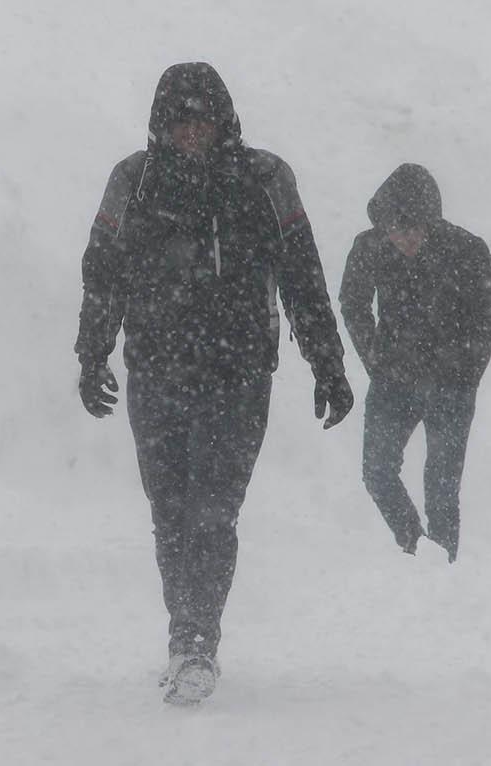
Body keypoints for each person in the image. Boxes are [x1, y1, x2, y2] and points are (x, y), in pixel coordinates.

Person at [74, 62, 353, 706]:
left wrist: (327, 363)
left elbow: (302, 272)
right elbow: (103, 271)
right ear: (161, 125)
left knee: (213, 509)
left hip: (238, 373)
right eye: (179, 121)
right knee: (168, 510)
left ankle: (200, 638)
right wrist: (92, 354)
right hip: (157, 370)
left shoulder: (265, 178)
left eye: (201, 119)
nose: (191, 133)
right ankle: (182, 630)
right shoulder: (133, 180)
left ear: (222, 119)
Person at [338, 163, 491, 563]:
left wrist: (463, 370)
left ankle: (443, 566)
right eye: (397, 231)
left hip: (453, 384)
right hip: (394, 378)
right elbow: (352, 303)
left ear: (432, 223)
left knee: (442, 485)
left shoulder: (466, 249)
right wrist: (375, 359)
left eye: (414, 230)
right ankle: (415, 546)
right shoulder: (369, 247)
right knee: (377, 472)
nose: (406, 239)